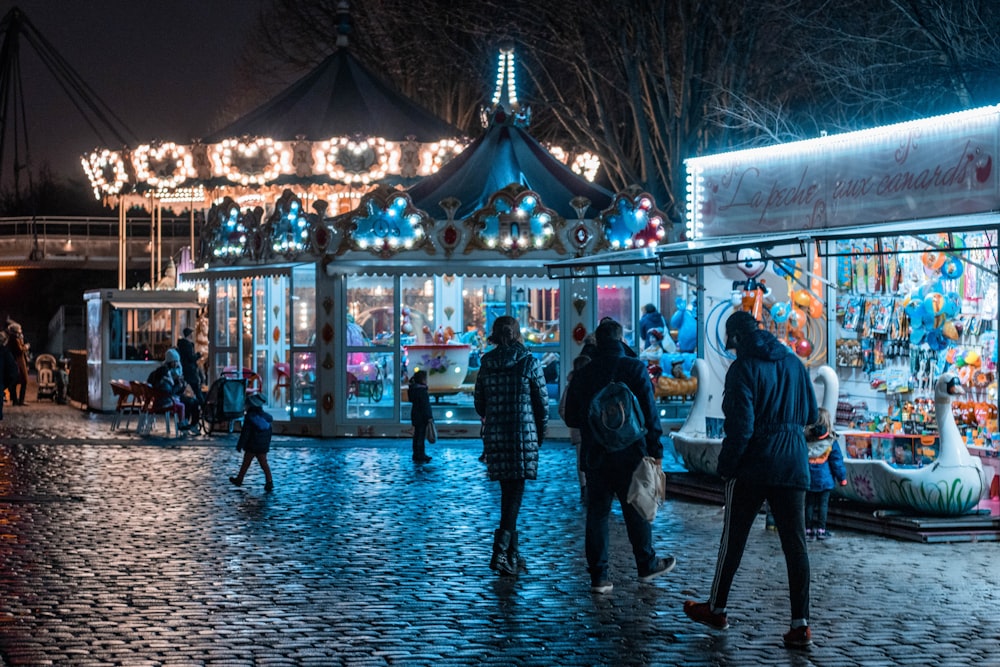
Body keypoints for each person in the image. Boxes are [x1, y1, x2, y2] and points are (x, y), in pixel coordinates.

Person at [682, 310, 818, 650]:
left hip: (755, 464)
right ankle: (800, 623)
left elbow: (740, 427)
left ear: (737, 339)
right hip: (793, 462)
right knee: (795, 544)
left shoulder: (742, 368)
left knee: (734, 538)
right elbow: (812, 417)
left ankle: (717, 608)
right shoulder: (794, 364)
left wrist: (727, 466)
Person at [564, 318, 675, 594]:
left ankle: (599, 576)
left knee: (598, 513)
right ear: (621, 339)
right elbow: (650, 413)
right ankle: (646, 563)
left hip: (596, 454)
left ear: (598, 342)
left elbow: (572, 417)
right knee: (636, 505)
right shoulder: (634, 368)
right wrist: (656, 450)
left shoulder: (585, 373)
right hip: (631, 452)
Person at [474, 315, 548, 577]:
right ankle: (501, 552)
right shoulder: (529, 362)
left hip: (496, 435)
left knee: (509, 492)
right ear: (518, 334)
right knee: (514, 495)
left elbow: (479, 404)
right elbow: (542, 404)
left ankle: (513, 553)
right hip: (521, 435)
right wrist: (539, 434)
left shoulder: (486, 363)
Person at [805, 407, 847, 541]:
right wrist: (842, 478)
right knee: (823, 505)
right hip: (825, 479)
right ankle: (821, 530)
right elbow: (836, 461)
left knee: (809, 504)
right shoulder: (831, 441)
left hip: (809, 478)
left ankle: (808, 530)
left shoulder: (806, 438)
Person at [559, 354, 591, 504]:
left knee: (581, 459)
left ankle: (584, 487)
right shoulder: (594, 383)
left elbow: (562, 408)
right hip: (592, 428)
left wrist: (571, 421)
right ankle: (591, 486)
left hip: (577, 429)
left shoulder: (570, 386)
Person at [229, 392, 274, 492]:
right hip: (262, 446)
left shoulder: (249, 418)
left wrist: (240, 445)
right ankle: (269, 481)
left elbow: (245, 433)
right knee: (264, 463)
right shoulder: (266, 418)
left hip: (252, 445)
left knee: (246, 463)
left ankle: (239, 479)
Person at [147, 348, 200, 431]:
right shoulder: (165, 375)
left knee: (192, 401)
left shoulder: (168, 372)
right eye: (174, 361)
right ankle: (188, 423)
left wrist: (181, 385)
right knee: (191, 402)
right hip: (169, 398)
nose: (176, 364)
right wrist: (179, 385)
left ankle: (188, 422)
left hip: (171, 396)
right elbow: (170, 391)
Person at [408, 370, 433, 463]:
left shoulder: (414, 389)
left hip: (415, 415)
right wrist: (429, 417)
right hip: (422, 417)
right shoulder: (422, 391)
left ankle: (416, 453)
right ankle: (420, 454)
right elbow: (425, 406)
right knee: (421, 436)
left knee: (417, 435)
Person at [176, 327, 204, 407]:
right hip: (191, 372)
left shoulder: (182, 345)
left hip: (186, 371)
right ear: (189, 335)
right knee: (197, 390)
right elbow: (191, 358)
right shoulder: (187, 345)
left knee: (185, 389)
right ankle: (203, 407)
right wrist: (198, 355)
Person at [5, 323, 29, 406]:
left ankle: (16, 400)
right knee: (23, 381)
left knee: (15, 381)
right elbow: (20, 350)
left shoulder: (12, 339)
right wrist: (26, 347)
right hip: (18, 362)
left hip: (16, 362)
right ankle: (19, 400)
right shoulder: (14, 339)